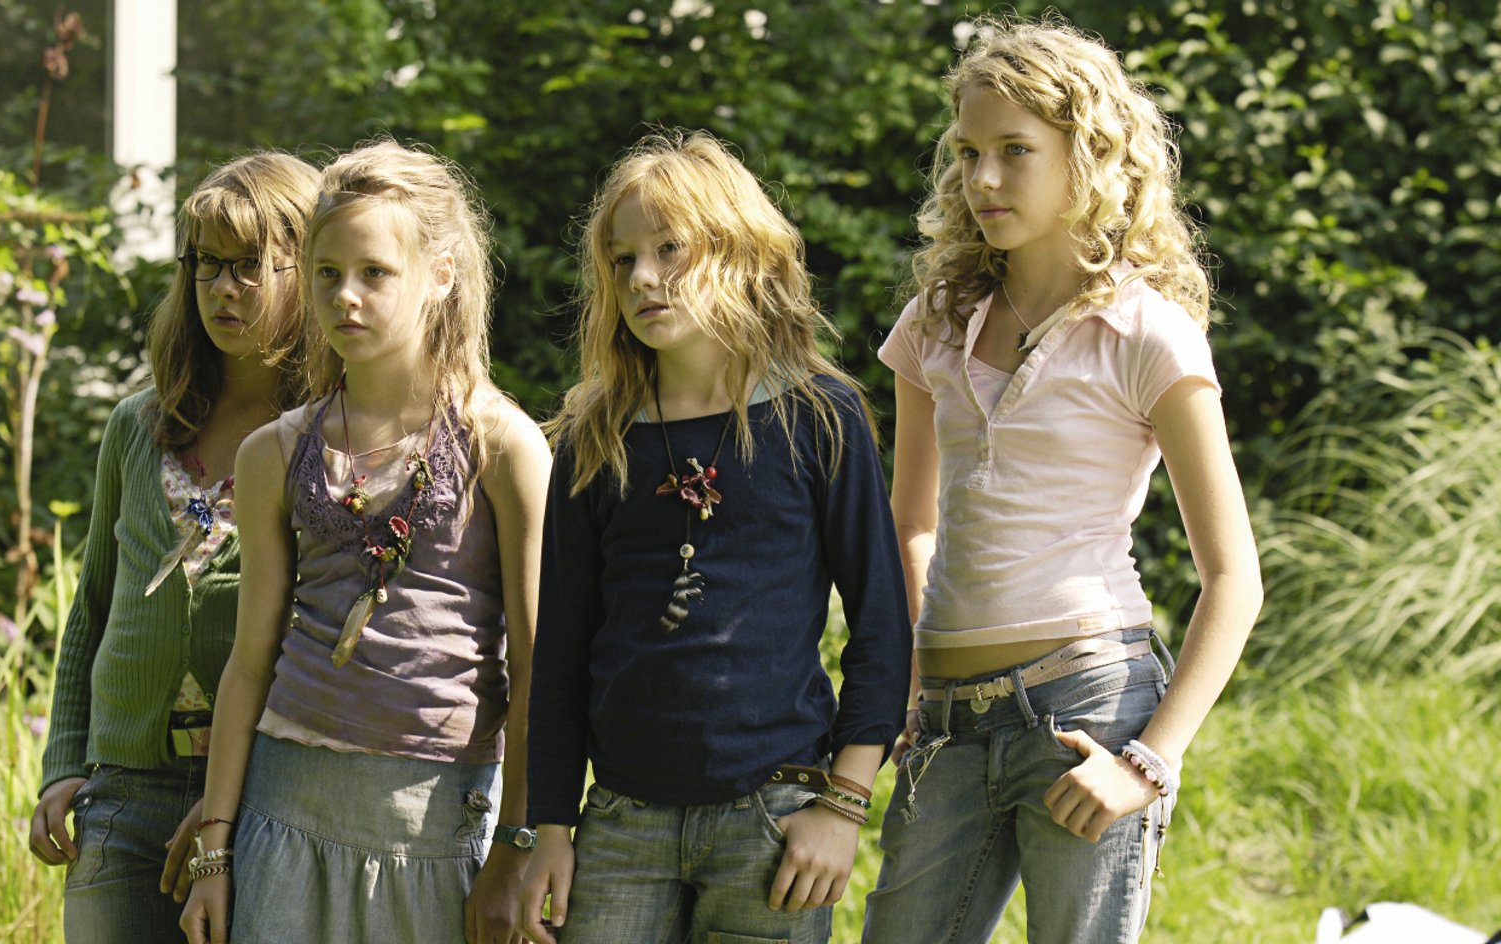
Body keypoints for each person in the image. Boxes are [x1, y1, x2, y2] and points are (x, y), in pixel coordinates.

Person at [861, 16, 1263, 944]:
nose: (983, 179)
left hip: (1088, 708)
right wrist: (913, 681)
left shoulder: (1150, 334)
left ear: (1091, 156)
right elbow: (912, 525)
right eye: (969, 152)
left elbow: (1234, 578)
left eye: (1015, 150)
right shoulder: (934, 321)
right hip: (946, 721)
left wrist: (1149, 762)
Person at [518, 130, 912, 944]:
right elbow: (560, 648)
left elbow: (881, 625)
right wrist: (550, 826)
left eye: (669, 249)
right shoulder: (595, 436)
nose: (642, 277)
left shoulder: (819, 416)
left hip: (772, 818)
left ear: (739, 250)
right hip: (620, 824)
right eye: (622, 259)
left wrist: (843, 804)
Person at [177, 139, 549, 944]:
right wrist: (216, 846)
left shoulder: (502, 445)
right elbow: (250, 661)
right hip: (282, 814)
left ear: (440, 276)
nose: (345, 296)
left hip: (436, 825)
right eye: (326, 273)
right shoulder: (275, 453)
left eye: (375, 272)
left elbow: (536, 666)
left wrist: (515, 849)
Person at [27, 151, 323, 944]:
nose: (224, 288)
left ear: (309, 270)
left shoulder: (325, 439)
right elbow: (92, 608)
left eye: (251, 265)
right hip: (124, 797)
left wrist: (237, 800)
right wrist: (65, 765)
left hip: (264, 797)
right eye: (206, 265)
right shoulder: (138, 424)